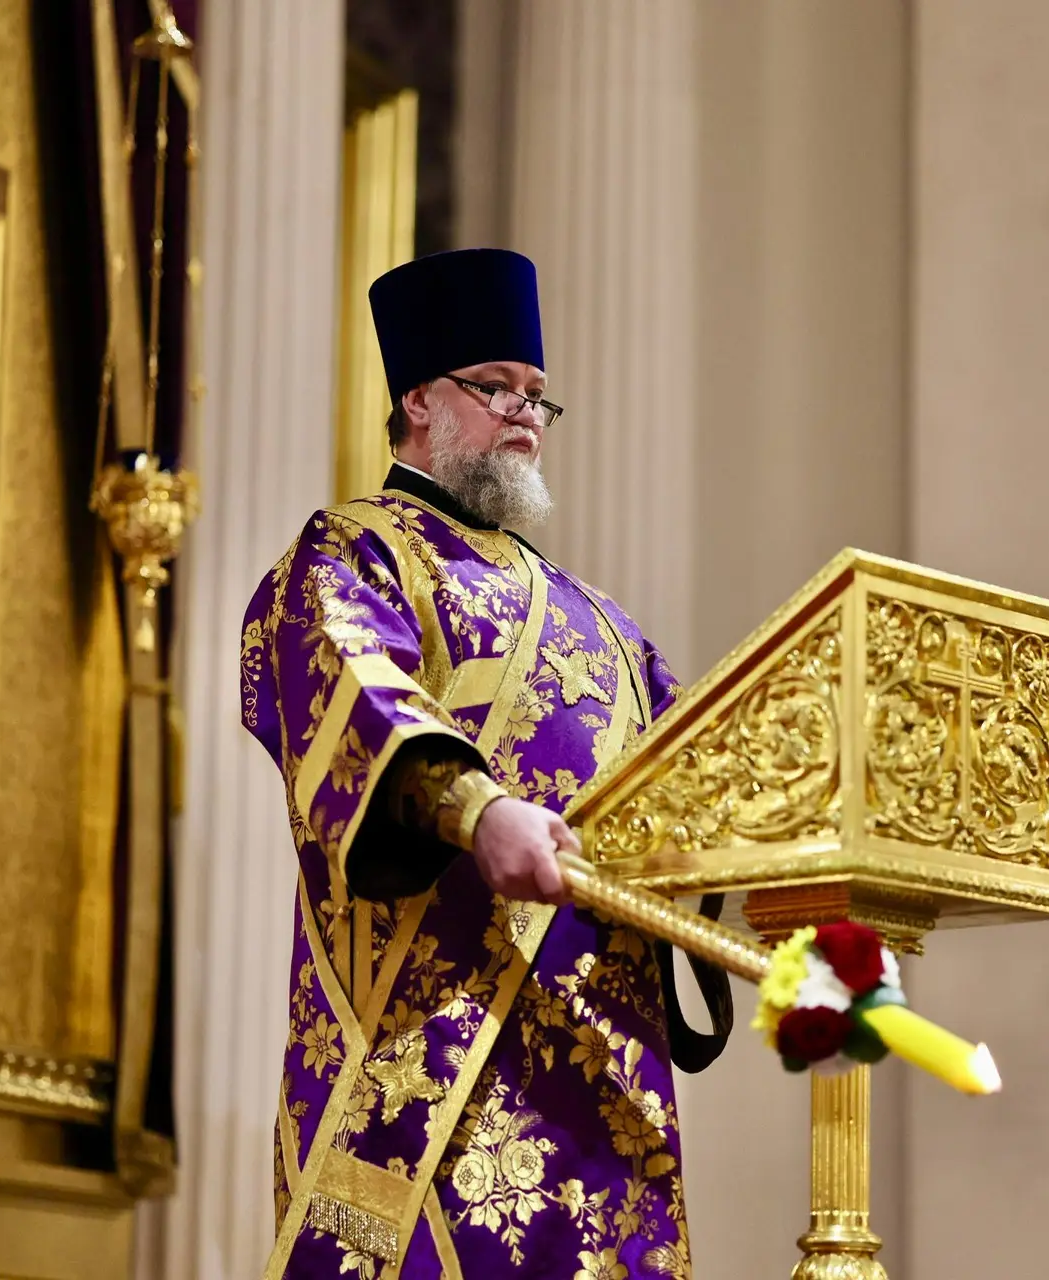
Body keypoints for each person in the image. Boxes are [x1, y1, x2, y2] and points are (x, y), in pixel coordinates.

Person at [243, 248, 730, 1279]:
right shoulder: (353, 549)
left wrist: (801, 868)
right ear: (419, 399)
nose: (526, 415)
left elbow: (699, 772)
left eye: (537, 395)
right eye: (497, 386)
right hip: (432, 1051)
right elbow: (348, 683)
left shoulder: (603, 621)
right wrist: (477, 808)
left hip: (599, 1065)